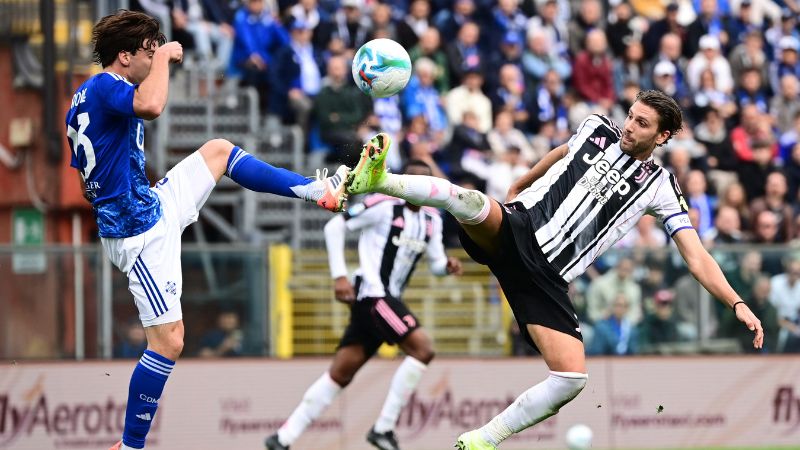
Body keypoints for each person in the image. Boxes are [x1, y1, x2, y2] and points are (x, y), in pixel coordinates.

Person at [344, 90, 764, 449]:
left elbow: (697, 257)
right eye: (631, 116)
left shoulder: (660, 187)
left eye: (641, 123)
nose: (629, 127)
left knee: (571, 378)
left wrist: (737, 302)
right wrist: (520, 184)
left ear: (663, 135)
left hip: (548, 278)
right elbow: (565, 150)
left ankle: (483, 438)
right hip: (519, 230)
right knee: (469, 201)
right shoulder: (597, 128)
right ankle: (379, 180)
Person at [65, 11, 348, 450]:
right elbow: (153, 106)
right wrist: (163, 57)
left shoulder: (83, 97)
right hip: (139, 232)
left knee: (218, 151)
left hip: (149, 204)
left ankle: (318, 191)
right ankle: (131, 445)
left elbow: (88, 176)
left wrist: (119, 190)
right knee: (169, 341)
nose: (154, 57)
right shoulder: (106, 85)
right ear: (125, 57)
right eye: (146, 51)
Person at [265, 160, 463, 450]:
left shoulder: (432, 219)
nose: (419, 189)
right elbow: (335, 226)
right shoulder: (382, 204)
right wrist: (339, 276)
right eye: (414, 181)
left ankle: (282, 438)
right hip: (372, 294)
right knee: (423, 349)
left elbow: (435, 262)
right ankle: (383, 428)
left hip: (387, 298)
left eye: (425, 183)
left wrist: (446, 266)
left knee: (342, 371)